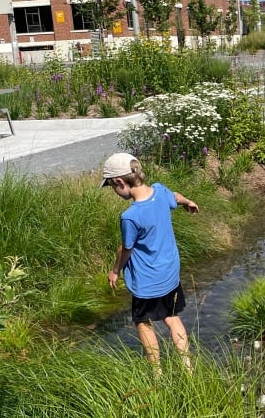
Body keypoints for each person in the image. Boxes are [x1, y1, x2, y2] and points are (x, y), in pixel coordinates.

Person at [100, 152, 198, 368]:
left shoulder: (130, 217)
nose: (115, 192)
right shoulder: (160, 191)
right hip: (170, 274)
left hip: (147, 281)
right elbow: (176, 196)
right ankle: (188, 368)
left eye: (112, 187)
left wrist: (115, 270)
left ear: (120, 182)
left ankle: (157, 375)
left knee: (143, 323)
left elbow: (126, 249)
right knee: (172, 317)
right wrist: (188, 202)